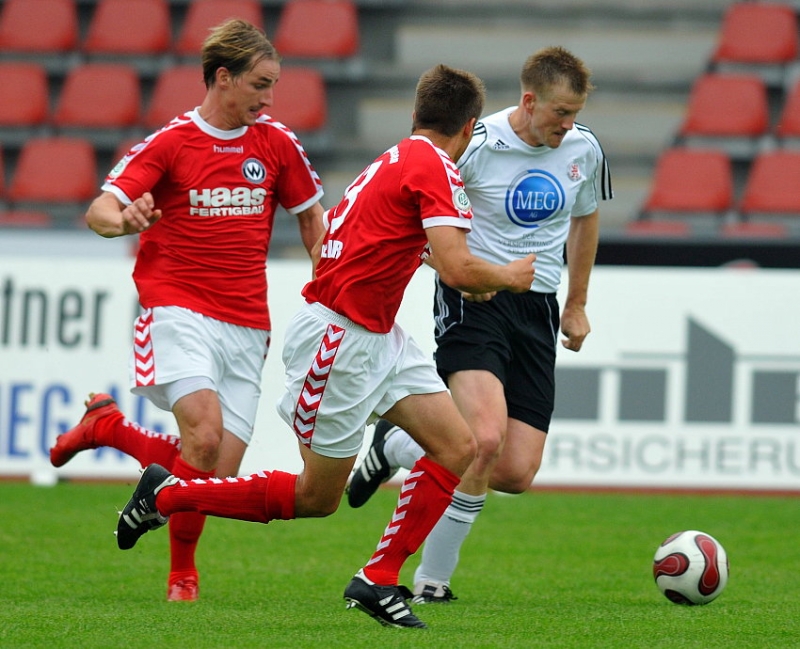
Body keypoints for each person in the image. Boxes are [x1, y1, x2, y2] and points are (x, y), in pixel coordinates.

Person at [113, 63, 535, 629]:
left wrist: (460, 270)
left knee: (460, 448)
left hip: (378, 335)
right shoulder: (436, 168)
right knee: (317, 498)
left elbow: (395, 241)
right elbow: (457, 266)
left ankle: (378, 578)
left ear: (416, 115)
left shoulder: (398, 157)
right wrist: (505, 276)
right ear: (470, 127)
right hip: (340, 339)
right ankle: (168, 496)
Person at [49, 19, 325, 602]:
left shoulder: (277, 143)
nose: (269, 97)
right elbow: (102, 208)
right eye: (259, 83)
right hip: (178, 308)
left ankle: (110, 428)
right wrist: (121, 221)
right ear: (222, 78)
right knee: (201, 436)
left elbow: (310, 219)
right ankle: (183, 574)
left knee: (213, 474)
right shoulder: (171, 143)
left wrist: (331, 287)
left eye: (273, 84)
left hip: (248, 322)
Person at [346, 46, 613, 604]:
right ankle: (431, 580)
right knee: (483, 438)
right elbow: (410, 221)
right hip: (476, 302)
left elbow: (585, 221)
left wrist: (577, 303)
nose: (569, 125)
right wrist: (463, 271)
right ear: (529, 100)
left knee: (515, 471)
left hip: (537, 308)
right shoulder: (477, 147)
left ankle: (397, 446)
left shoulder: (585, 148)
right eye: (560, 113)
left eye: (575, 113)